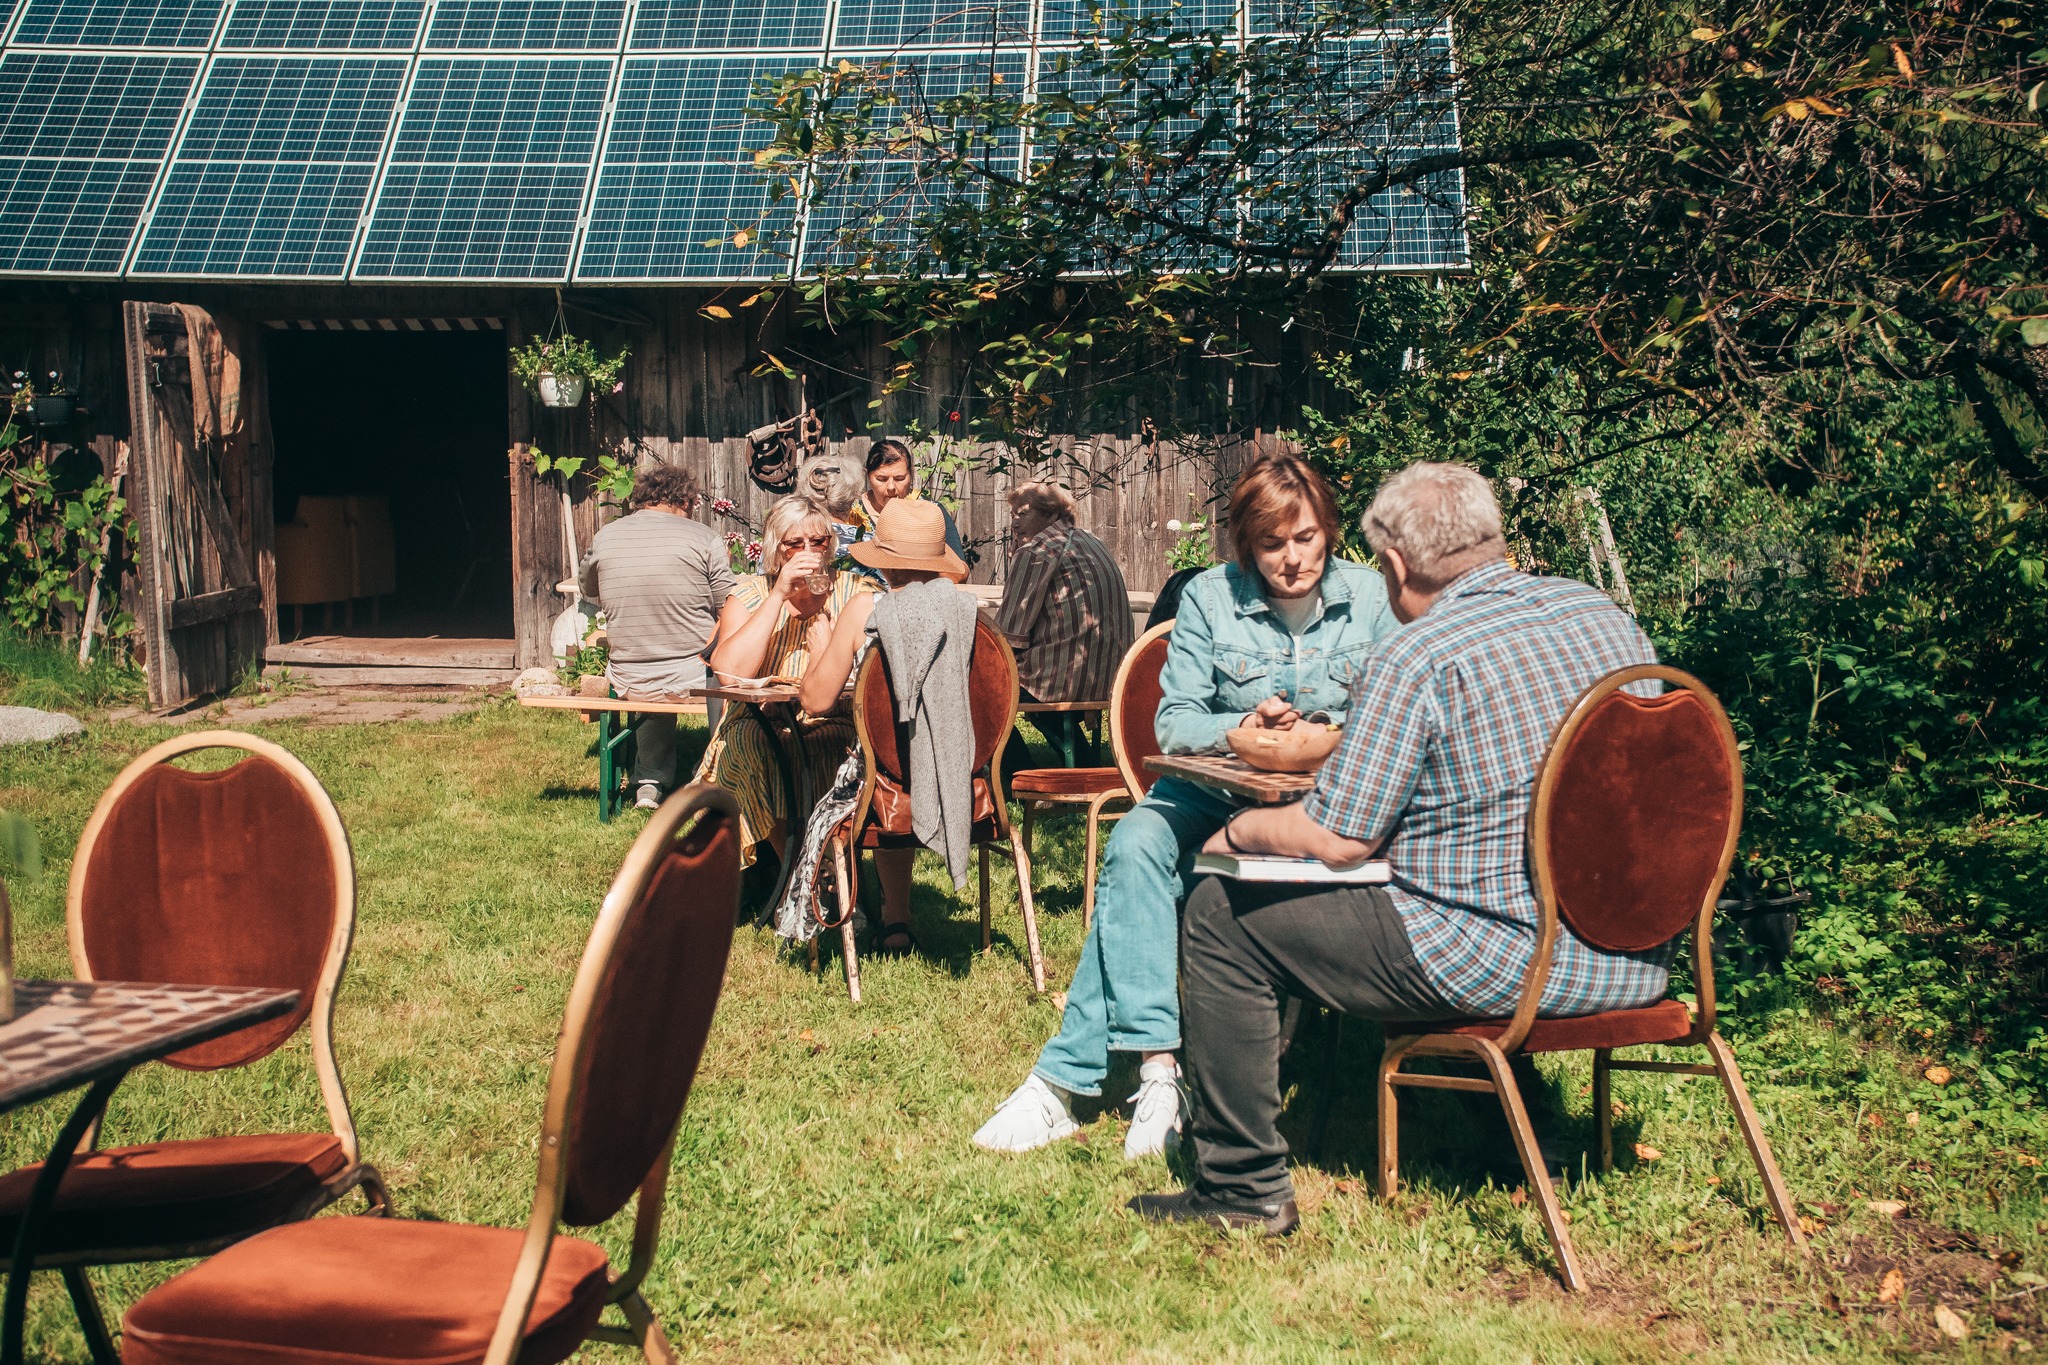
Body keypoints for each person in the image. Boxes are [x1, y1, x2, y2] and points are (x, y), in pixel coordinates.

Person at [1128, 462, 1668, 1237]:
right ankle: (1518, 1122)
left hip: (1506, 963)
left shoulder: (1420, 653)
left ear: (1396, 565)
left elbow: (1339, 837)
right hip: (1634, 954)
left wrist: (1239, 833)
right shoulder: (1604, 616)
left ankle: (1242, 1186)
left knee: (1221, 910)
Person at [972, 453, 1401, 1160]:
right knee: (1136, 841)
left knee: (1124, 890)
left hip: (1324, 799)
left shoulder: (1374, 599)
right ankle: (1160, 1070)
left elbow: (1395, 713)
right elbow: (1175, 723)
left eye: (1306, 539)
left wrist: (1325, 735)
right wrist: (1241, 731)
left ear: (1328, 529)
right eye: (1271, 544)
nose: (1292, 559)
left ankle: (1068, 1080)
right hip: (1211, 789)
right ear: (1245, 544)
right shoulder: (1209, 595)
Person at [798, 497, 973, 955]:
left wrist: (819, 646)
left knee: (852, 759)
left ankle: (836, 907)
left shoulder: (865, 611)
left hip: (880, 780)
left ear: (884, 560)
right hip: (959, 775)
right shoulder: (966, 615)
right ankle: (897, 916)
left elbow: (814, 700)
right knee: (897, 751)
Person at [695, 494, 877, 867]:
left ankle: (823, 867)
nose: (808, 551)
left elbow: (873, 670)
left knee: (833, 745)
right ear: (776, 550)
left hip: (835, 715)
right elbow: (727, 672)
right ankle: (800, 868)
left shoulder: (855, 592)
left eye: (819, 542)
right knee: (746, 746)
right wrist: (778, 595)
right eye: (795, 543)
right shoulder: (751, 593)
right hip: (762, 720)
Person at [576, 463, 733, 810]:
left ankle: (648, 782)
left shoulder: (606, 536)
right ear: (687, 501)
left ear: (641, 500)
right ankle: (709, 768)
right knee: (726, 662)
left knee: (650, 667)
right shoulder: (704, 537)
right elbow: (729, 605)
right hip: (691, 677)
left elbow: (588, 587)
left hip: (628, 675)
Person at [993, 481, 1133, 774]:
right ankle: (1081, 761)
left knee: (976, 690)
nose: (1015, 524)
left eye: (1023, 514)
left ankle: (1019, 773)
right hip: (1108, 676)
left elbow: (1007, 637)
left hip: (1061, 680)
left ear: (1050, 513)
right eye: (1013, 516)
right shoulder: (1091, 541)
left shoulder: (1037, 551)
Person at [850, 437, 965, 562]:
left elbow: (960, 567)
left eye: (899, 478)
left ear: (911, 475)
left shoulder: (931, 511)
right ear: (868, 476)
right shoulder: (850, 513)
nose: (891, 487)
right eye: (881, 479)